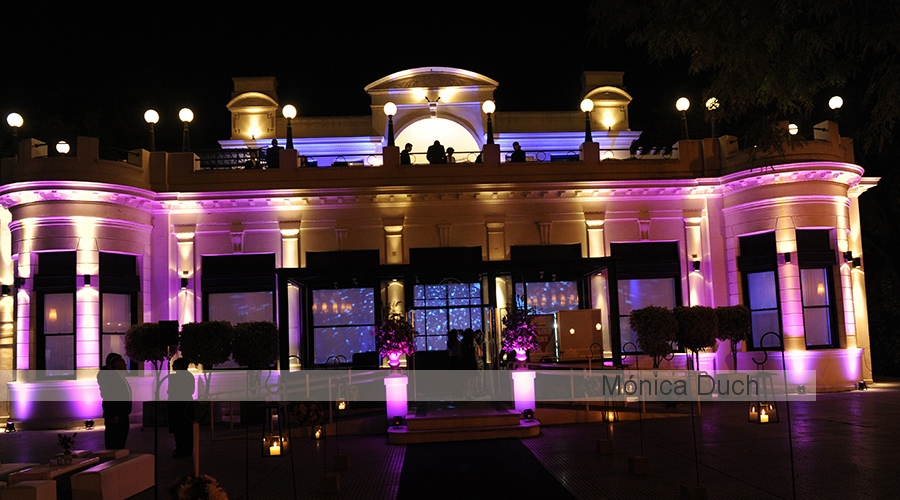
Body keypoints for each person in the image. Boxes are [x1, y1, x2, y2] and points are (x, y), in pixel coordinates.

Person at [97, 353, 132, 450]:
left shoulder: (117, 375)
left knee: (120, 443)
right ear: (114, 363)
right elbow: (109, 395)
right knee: (115, 443)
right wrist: (114, 414)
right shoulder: (108, 376)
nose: (125, 365)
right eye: (122, 362)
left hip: (122, 415)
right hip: (116, 416)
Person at [167, 358, 195, 458]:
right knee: (186, 429)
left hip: (178, 406)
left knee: (180, 428)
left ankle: (181, 448)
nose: (172, 366)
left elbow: (172, 391)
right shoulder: (189, 376)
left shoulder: (177, 377)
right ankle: (186, 449)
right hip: (185, 404)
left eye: (174, 364)